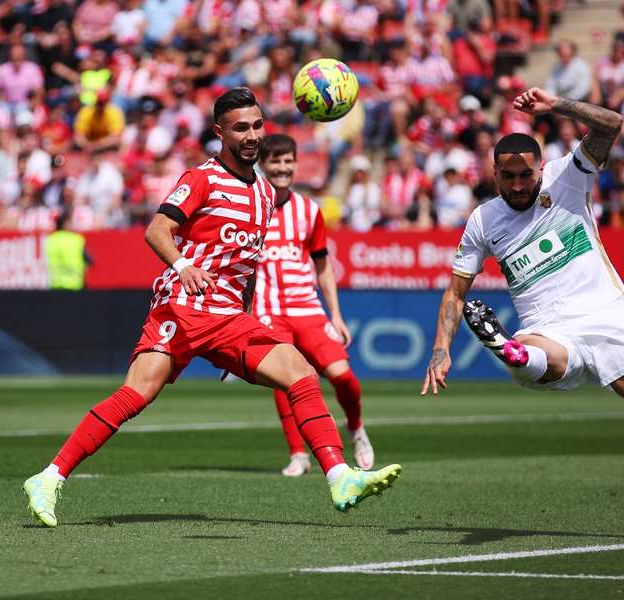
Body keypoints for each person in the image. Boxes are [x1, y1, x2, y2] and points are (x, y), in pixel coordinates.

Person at [22, 88, 401, 528]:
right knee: (135, 395)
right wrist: (183, 265)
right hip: (181, 309)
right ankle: (49, 477)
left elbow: (248, 267)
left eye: (257, 125)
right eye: (241, 128)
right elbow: (157, 230)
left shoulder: (263, 194)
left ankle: (340, 476)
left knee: (300, 372)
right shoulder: (201, 178)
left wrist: (236, 331)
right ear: (220, 132)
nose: (252, 135)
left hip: (227, 319)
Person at [421, 87, 624, 538]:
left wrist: (556, 106)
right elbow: (456, 292)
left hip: (607, 318)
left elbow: (612, 124)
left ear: (540, 168)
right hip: (547, 328)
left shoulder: (567, 177)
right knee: (530, 358)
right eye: (507, 176)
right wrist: (441, 350)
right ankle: (510, 351)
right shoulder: (483, 220)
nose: (518, 185)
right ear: (494, 172)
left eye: (526, 175)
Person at [248, 134, 375, 477]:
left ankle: (356, 429)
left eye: (288, 160)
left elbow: (323, 266)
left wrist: (336, 314)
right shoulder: (248, 208)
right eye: (275, 161)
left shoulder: (308, 211)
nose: (283, 167)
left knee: (344, 378)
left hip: (308, 309)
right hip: (267, 312)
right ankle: (297, 454)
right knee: (284, 381)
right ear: (263, 164)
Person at [45, 211, 93, 290]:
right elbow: (89, 261)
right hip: (74, 285)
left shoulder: (50, 239)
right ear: (65, 224)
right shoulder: (76, 239)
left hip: (55, 285)